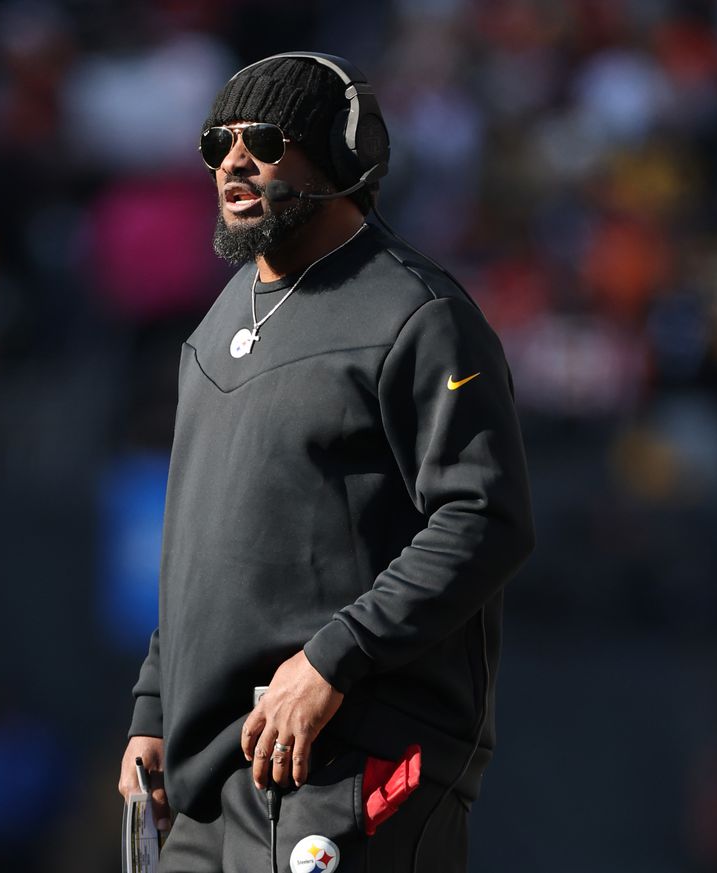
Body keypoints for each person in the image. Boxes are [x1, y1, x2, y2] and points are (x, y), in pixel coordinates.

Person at [117, 52, 535, 872]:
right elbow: (199, 543)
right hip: (212, 780)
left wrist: (331, 657)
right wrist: (154, 709)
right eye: (217, 144)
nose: (233, 162)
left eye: (265, 140)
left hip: (346, 754)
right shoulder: (211, 331)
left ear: (340, 158)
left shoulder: (417, 313)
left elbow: (486, 517)